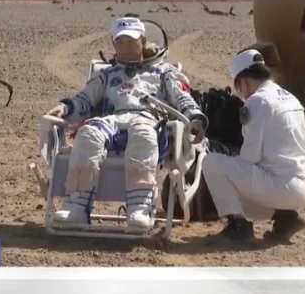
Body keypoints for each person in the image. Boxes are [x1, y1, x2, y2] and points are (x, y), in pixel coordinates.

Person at [45, 17, 208, 229]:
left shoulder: (163, 72)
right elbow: (84, 99)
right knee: (87, 134)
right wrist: (66, 108)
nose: (126, 47)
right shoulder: (106, 75)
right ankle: (75, 206)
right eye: (120, 42)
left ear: (143, 41)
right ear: (114, 44)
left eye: (131, 41)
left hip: (148, 119)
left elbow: (182, 98)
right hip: (112, 120)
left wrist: (195, 117)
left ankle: (139, 207)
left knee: (143, 134)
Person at [201, 49, 305, 242]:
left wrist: (229, 158)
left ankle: (238, 227)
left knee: (212, 163)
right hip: (301, 186)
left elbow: (250, 157)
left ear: (243, 81)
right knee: (236, 183)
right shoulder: (289, 97)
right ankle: (285, 218)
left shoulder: (257, 101)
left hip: (280, 187)